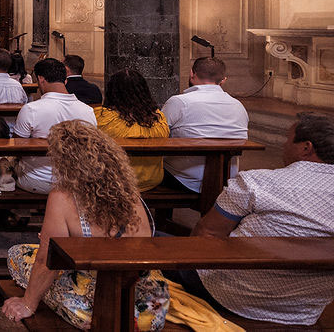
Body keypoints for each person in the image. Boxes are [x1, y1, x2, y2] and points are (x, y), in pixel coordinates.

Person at [167, 112, 334, 326]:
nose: (284, 145)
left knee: (154, 242)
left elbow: (206, 235)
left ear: (306, 148)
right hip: (304, 309)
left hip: (231, 295)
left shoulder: (257, 182)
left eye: (288, 139)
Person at [2, 120, 169, 330]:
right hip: (151, 305)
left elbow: (47, 261)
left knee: (18, 254)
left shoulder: (62, 197)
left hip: (97, 305)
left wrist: (27, 303)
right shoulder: (128, 190)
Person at [162, 57, 248, 193]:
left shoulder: (179, 102)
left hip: (184, 179)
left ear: (192, 74)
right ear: (223, 80)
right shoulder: (238, 106)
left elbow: (158, 133)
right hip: (227, 179)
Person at [13, 58, 97, 194]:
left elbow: (16, 146)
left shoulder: (31, 109)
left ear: (41, 79)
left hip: (37, 180)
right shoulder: (88, 111)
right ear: (65, 81)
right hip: (75, 181)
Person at [96, 69, 170, 191]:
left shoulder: (101, 117)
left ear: (111, 92)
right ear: (145, 91)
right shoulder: (158, 118)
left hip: (114, 180)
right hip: (150, 180)